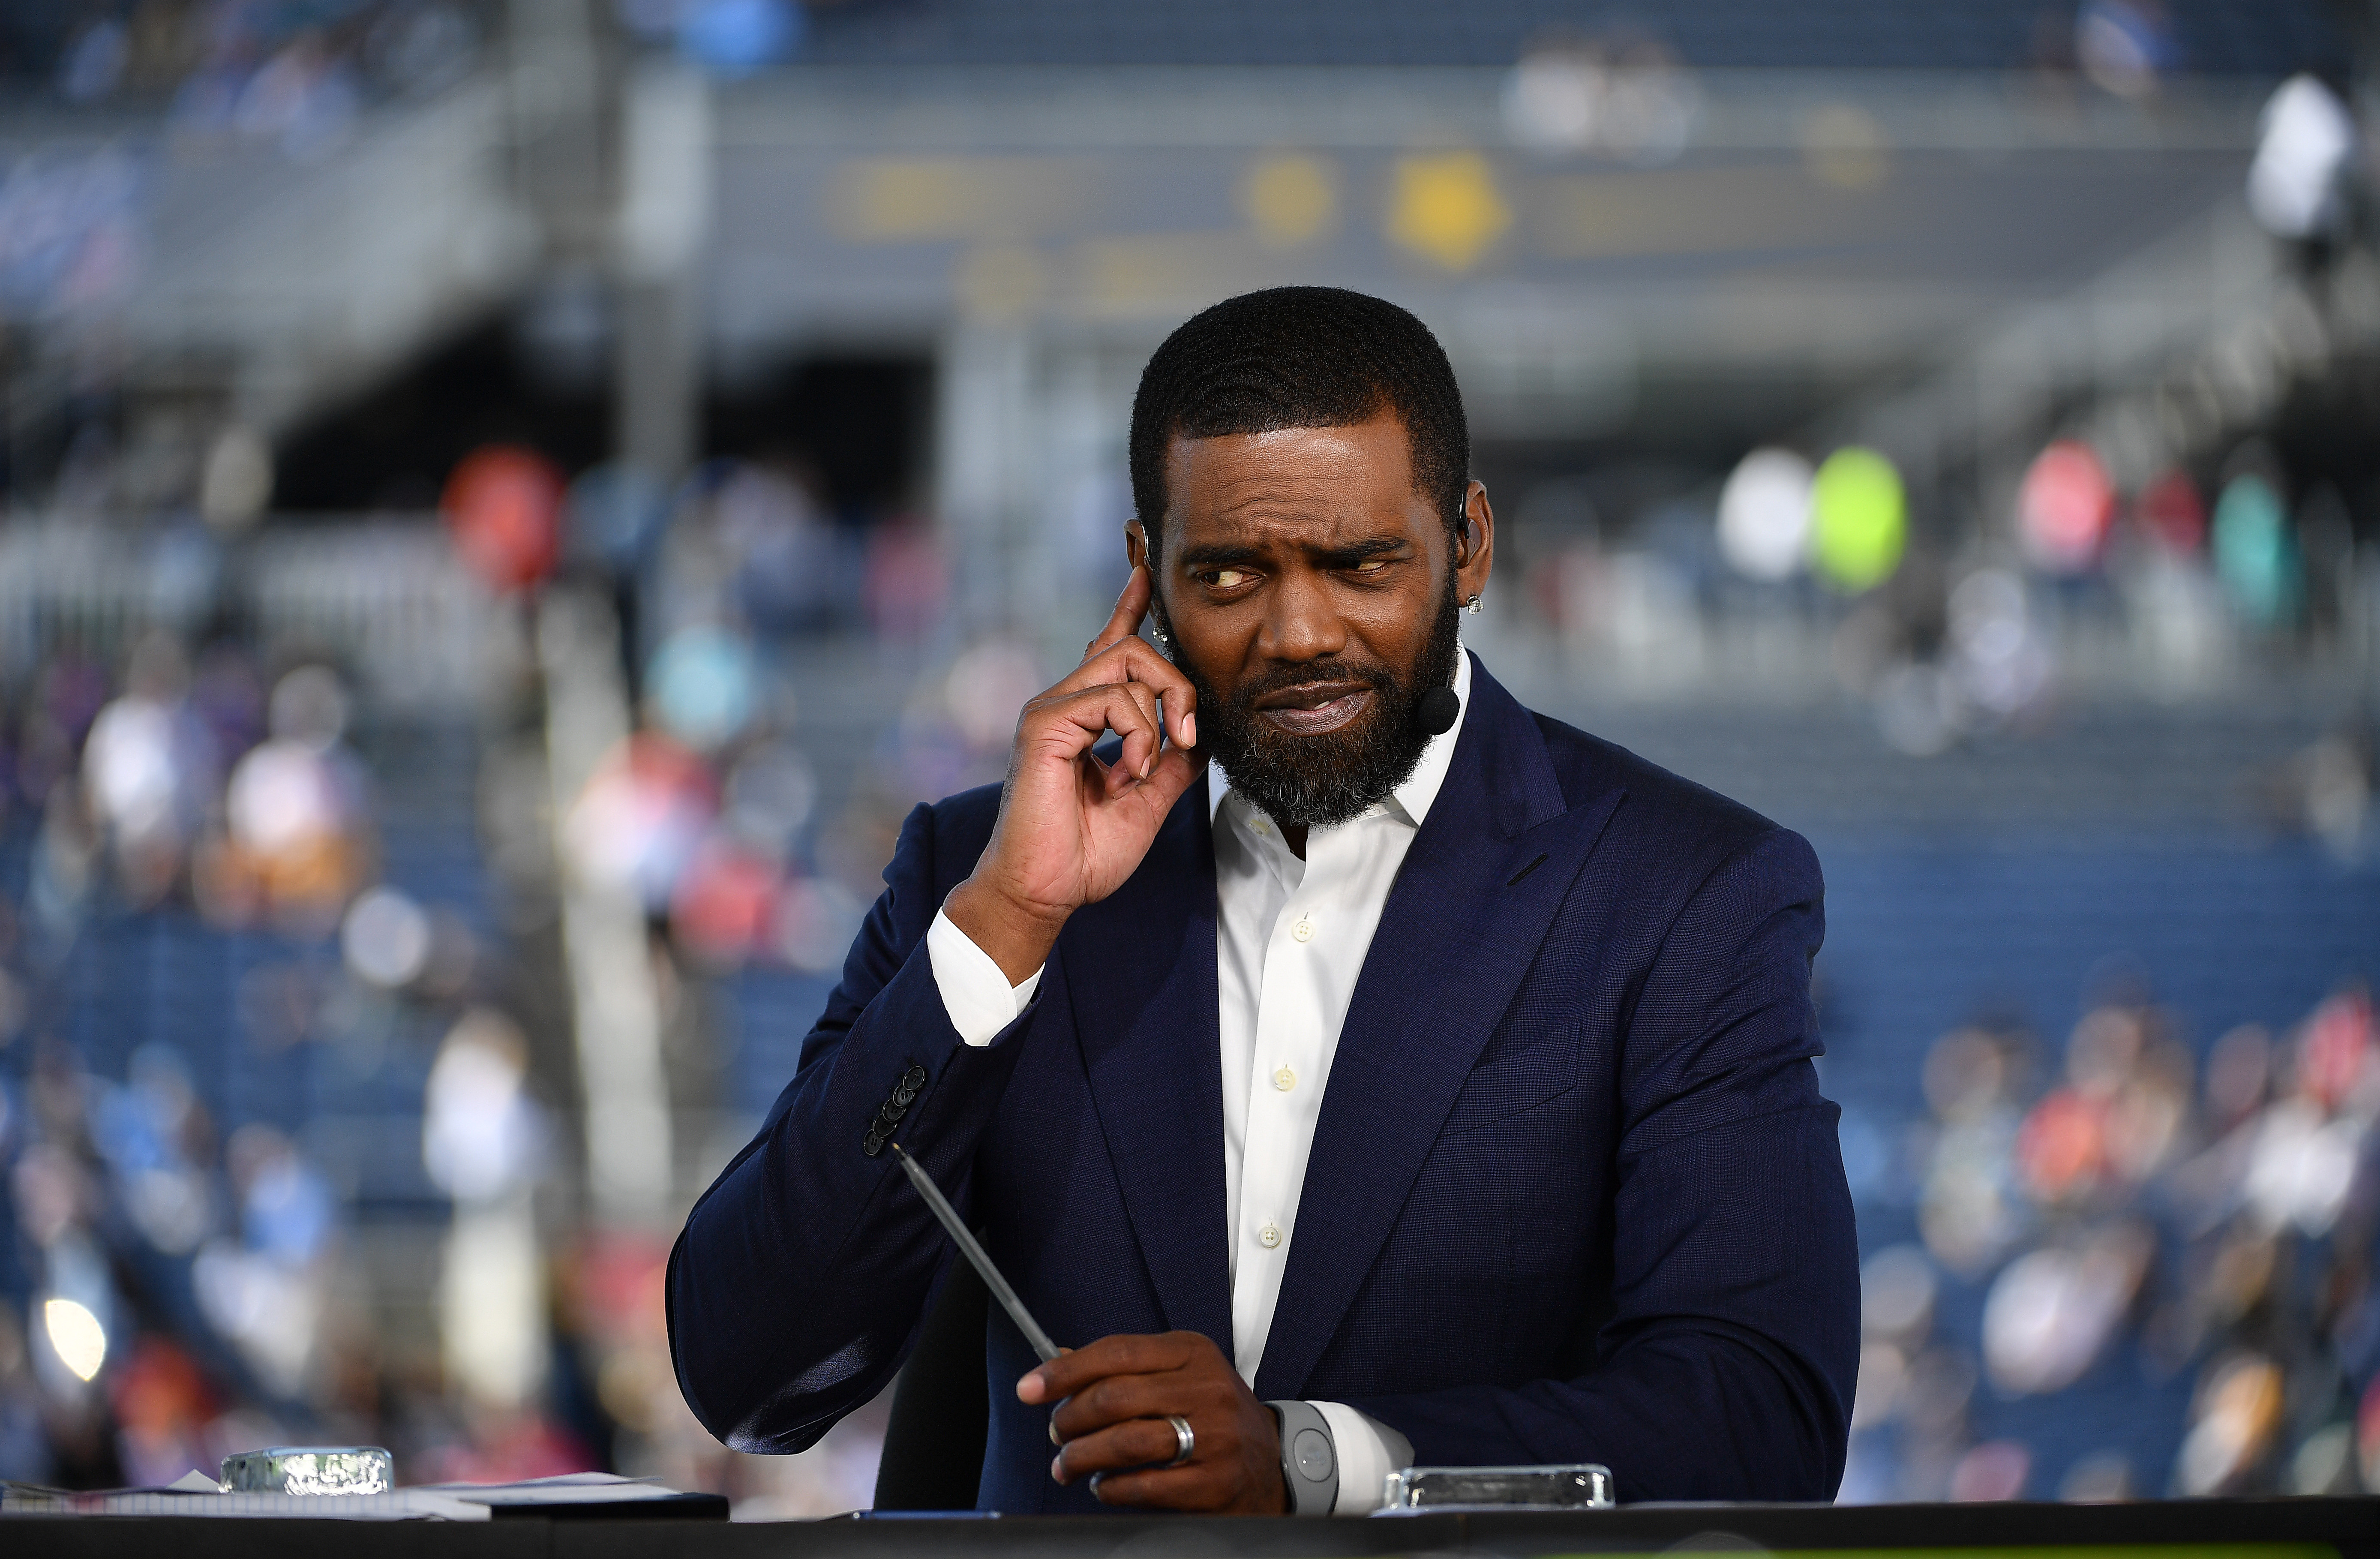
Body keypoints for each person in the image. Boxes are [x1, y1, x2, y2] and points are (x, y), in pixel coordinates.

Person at [668, 288, 1858, 1514]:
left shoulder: (1685, 893)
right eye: (1231, 575)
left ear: (1471, 545)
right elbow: (749, 1375)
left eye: (1361, 566)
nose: (1298, 632)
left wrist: (1310, 1459)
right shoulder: (982, 870)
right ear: (1147, 572)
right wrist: (1008, 924)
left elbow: (1759, 1416)